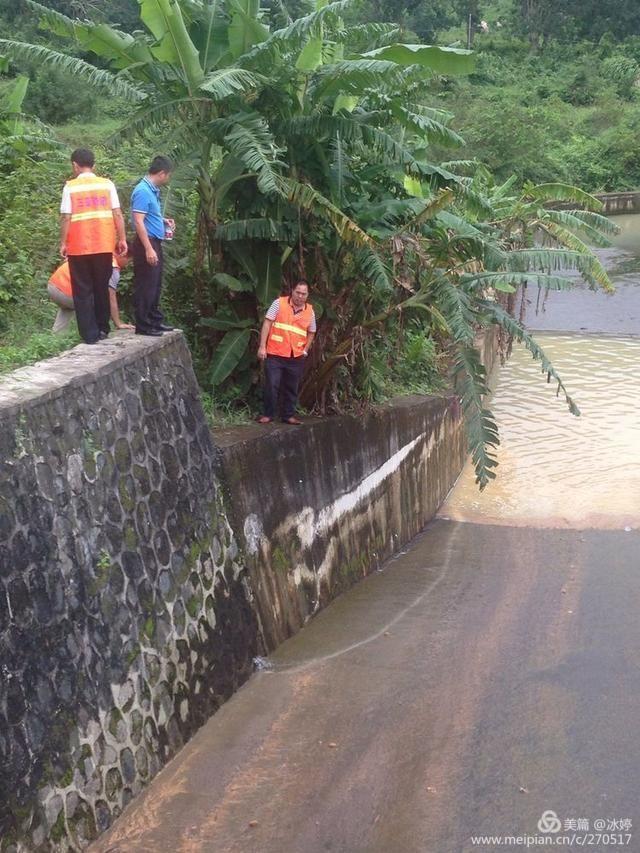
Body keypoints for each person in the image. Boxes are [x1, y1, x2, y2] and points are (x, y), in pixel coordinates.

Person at [60, 148, 127, 344]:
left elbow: (66, 218)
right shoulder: (107, 185)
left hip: (78, 247)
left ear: (75, 165)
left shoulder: (70, 187)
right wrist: (121, 238)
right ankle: (103, 329)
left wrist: (63, 242)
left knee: (82, 291)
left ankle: (89, 335)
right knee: (100, 287)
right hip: (104, 245)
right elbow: (117, 214)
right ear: (94, 165)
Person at [257, 280, 316, 425]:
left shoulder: (310, 311)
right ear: (292, 291)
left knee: (292, 387)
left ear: (307, 295)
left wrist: (305, 350)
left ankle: (288, 415)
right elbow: (267, 323)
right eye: (298, 292)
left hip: (295, 356)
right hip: (275, 353)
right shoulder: (279, 303)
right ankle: (268, 414)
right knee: (272, 384)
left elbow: (312, 332)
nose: (300, 296)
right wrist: (262, 346)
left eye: (304, 294)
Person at [130, 155, 175, 337]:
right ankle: (143, 324)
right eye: (168, 175)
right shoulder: (142, 190)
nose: (168, 179)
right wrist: (148, 248)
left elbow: (148, 216)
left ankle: (154, 319)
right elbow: (139, 222)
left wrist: (162, 221)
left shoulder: (152, 190)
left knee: (155, 283)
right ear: (162, 173)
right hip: (146, 242)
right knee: (146, 284)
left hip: (155, 240)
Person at [48, 255, 134, 333]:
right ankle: (94, 333)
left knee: (68, 308)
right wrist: (118, 323)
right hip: (67, 291)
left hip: (53, 286)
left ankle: (56, 335)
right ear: (123, 255)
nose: (127, 265)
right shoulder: (112, 266)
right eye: (129, 261)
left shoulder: (98, 254)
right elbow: (111, 297)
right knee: (100, 301)